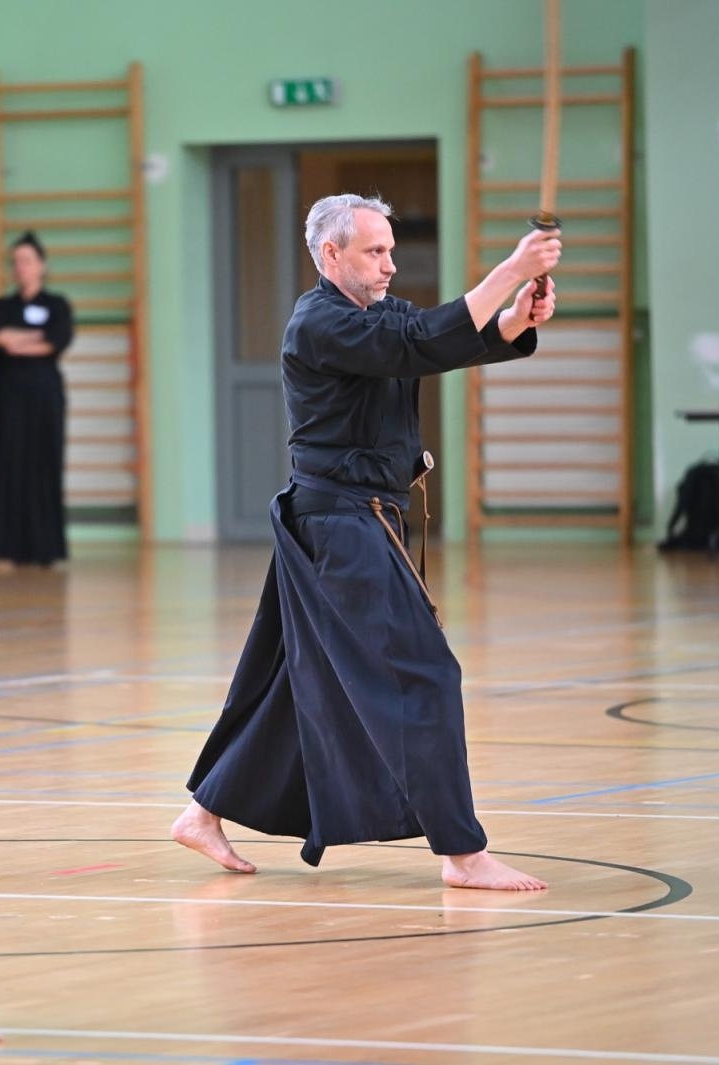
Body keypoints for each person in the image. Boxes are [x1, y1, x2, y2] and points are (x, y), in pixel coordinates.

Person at [173, 193, 560, 891]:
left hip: (346, 520)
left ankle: (203, 813)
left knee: (298, 679)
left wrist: (512, 320)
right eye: (374, 252)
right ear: (332, 254)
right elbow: (415, 344)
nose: (389, 264)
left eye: (389, 251)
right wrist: (510, 270)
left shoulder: (377, 314)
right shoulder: (319, 323)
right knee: (425, 675)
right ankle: (463, 854)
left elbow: (433, 342)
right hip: (340, 525)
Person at [0, 232, 75, 569]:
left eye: (27, 261)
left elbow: (56, 340)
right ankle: (7, 548)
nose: (20, 267)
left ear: (41, 266)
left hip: (44, 395)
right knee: (9, 466)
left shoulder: (56, 305)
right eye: (16, 262)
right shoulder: (2, 307)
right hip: (10, 395)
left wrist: (19, 340)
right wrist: (31, 338)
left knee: (44, 464)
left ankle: (46, 548)